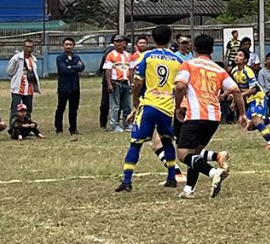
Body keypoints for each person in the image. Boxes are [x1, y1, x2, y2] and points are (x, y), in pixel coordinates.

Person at [173, 34, 246, 199]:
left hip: (195, 115)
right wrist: (242, 114)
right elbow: (236, 91)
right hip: (213, 118)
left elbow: (180, 86)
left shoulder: (189, 64)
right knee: (195, 153)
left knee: (183, 154)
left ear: (195, 49)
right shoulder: (219, 70)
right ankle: (189, 189)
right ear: (212, 50)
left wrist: (177, 107)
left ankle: (214, 173)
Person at [115, 25, 182, 193]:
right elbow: (181, 85)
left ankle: (127, 180)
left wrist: (135, 100)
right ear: (170, 38)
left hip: (150, 104)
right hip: (168, 106)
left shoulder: (147, 56)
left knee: (136, 143)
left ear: (153, 38)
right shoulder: (177, 60)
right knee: (167, 140)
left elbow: (138, 81)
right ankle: (171, 177)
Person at [232, 48, 270, 149]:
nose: (237, 57)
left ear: (245, 60)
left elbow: (254, 89)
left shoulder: (248, 71)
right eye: (236, 55)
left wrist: (240, 96)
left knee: (256, 120)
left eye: (240, 55)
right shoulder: (234, 71)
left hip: (258, 97)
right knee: (248, 126)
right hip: (250, 99)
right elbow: (236, 90)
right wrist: (234, 101)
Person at [54, 37, 84, 136]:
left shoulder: (76, 57)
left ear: (73, 46)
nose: (68, 46)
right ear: (63, 46)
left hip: (75, 86)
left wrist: (70, 67)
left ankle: (73, 129)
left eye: (70, 45)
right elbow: (63, 69)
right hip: (64, 87)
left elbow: (82, 67)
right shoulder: (60, 58)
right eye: (66, 44)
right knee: (61, 108)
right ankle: (59, 129)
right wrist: (75, 67)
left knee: (73, 109)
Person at [104, 35, 133, 133]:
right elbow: (107, 70)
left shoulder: (128, 55)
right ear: (114, 43)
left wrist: (131, 83)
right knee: (115, 105)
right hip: (115, 82)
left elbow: (131, 70)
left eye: (121, 41)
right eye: (117, 41)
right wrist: (109, 84)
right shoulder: (111, 55)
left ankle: (127, 123)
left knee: (127, 105)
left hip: (125, 82)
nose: (119, 43)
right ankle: (114, 125)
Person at [6, 40, 40, 121]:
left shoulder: (33, 59)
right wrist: (15, 79)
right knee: (15, 108)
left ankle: (27, 125)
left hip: (29, 87)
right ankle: (13, 126)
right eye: (27, 47)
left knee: (28, 109)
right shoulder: (17, 58)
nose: (29, 49)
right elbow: (9, 71)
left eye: (31, 47)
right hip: (18, 88)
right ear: (23, 47)